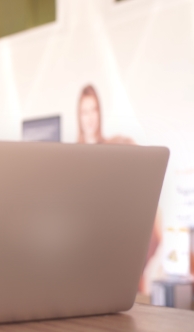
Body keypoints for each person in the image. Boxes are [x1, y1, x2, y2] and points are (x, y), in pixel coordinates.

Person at [76, 84, 161, 293]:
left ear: (100, 113)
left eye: (93, 109)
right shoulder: (72, 156)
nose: (89, 117)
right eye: (84, 111)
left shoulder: (114, 149)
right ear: (78, 115)